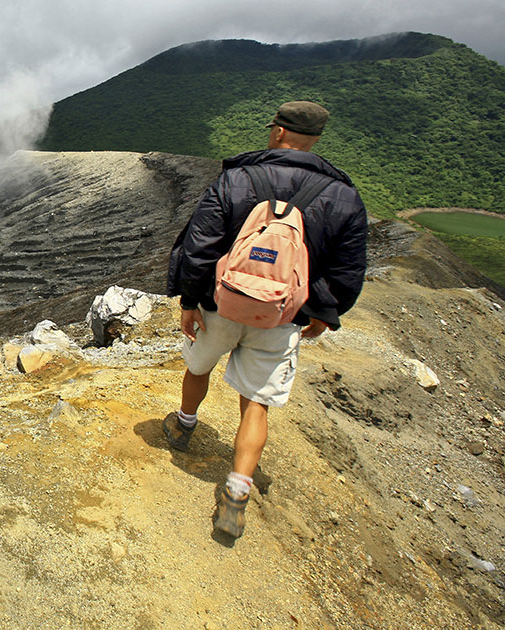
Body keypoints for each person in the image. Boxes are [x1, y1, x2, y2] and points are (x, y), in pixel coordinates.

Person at [165, 101, 368, 538]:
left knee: (197, 366)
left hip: (222, 303)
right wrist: (321, 312)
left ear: (277, 132)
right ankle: (237, 492)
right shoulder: (344, 196)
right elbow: (347, 268)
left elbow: (200, 244)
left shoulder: (237, 179)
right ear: (316, 139)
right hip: (280, 316)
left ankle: (182, 425)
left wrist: (190, 299)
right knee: (257, 401)